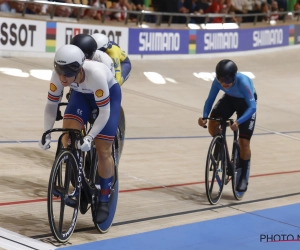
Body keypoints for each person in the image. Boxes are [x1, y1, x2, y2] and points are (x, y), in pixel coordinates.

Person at [38, 44, 122, 223]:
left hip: (108, 99)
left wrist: (90, 137)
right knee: (68, 136)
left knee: (102, 148)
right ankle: (77, 177)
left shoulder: (96, 74)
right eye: (60, 71)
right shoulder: (59, 76)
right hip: (81, 95)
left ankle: (104, 198)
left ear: (79, 68)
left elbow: (104, 113)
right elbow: (51, 105)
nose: (63, 77)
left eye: (68, 73)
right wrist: (46, 132)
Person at [198, 59, 257, 192]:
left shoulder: (243, 82)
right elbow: (210, 100)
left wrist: (238, 122)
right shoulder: (217, 82)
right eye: (221, 82)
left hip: (246, 105)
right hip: (230, 100)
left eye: (227, 82)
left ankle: (243, 176)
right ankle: (220, 144)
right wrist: (204, 117)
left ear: (233, 77)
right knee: (213, 123)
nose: (224, 84)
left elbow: (252, 107)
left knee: (244, 142)